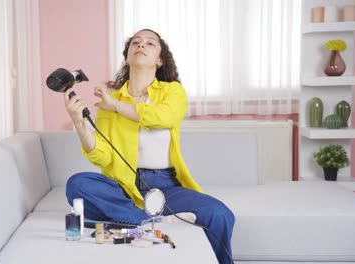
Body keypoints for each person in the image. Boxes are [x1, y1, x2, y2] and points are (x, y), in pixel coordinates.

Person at [64, 29, 235, 263]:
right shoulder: (111, 99)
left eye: (149, 43)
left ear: (160, 60)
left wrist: (116, 106)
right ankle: (148, 221)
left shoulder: (171, 91)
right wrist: (79, 121)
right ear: (127, 57)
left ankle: (132, 219)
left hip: (165, 186)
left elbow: (164, 117)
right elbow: (102, 156)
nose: (141, 45)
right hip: (124, 186)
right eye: (135, 42)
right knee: (77, 184)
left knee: (220, 214)